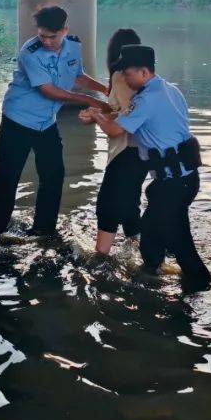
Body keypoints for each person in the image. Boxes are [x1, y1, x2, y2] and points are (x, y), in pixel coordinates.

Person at [86, 44, 211, 290]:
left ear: (144, 72)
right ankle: (151, 275)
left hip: (173, 185)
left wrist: (96, 116)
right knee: (151, 236)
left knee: (179, 241)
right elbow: (135, 120)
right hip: (182, 179)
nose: (125, 79)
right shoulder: (171, 90)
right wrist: (105, 115)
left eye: (128, 74)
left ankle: (201, 287)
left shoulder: (146, 99)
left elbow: (114, 131)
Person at [0, 5, 110, 238]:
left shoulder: (73, 46)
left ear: (65, 30)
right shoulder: (30, 52)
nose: (46, 41)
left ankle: (43, 230)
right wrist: (91, 101)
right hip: (18, 120)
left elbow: (78, 76)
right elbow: (49, 91)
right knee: (7, 177)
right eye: (42, 35)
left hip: (46, 122)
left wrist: (104, 88)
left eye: (52, 37)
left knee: (54, 175)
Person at [78, 28, 146, 255]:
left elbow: (124, 121)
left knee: (107, 204)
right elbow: (126, 111)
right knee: (130, 203)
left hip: (125, 150)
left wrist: (98, 117)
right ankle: (137, 250)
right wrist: (100, 115)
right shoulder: (141, 77)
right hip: (143, 151)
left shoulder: (120, 76)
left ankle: (101, 257)